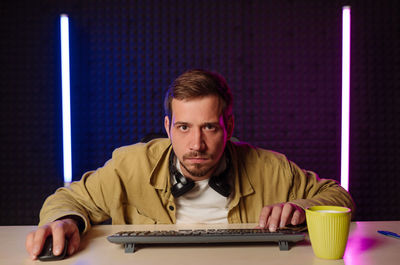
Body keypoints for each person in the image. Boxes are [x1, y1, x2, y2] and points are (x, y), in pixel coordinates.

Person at [25, 69, 354, 260]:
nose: (196, 144)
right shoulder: (128, 166)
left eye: (210, 127)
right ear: (168, 128)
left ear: (229, 126)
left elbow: (339, 195)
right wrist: (66, 221)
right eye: (184, 128)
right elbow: (67, 199)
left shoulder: (270, 168)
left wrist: (301, 205)